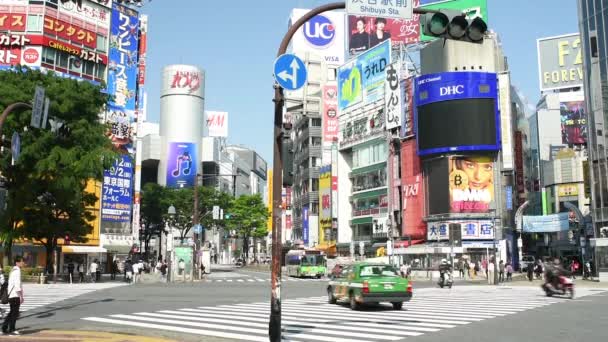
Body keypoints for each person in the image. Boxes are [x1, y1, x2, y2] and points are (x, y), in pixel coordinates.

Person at [2, 256, 25, 335]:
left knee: (12, 312)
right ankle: (12, 329)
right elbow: (17, 285)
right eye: (22, 261)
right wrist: (21, 296)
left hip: (11, 295)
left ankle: (4, 327)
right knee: (14, 313)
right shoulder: (17, 271)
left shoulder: (13, 270)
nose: (23, 263)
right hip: (15, 295)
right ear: (17, 262)